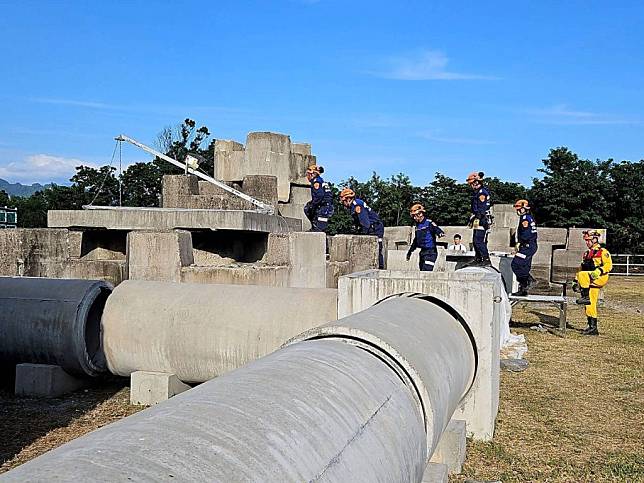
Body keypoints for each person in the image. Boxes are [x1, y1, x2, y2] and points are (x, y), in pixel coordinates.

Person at [574, 230, 612, 335]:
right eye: (586, 240)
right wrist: (575, 281)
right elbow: (581, 268)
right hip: (590, 280)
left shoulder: (603, 252)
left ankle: (585, 296)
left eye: (588, 240)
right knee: (590, 304)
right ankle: (592, 328)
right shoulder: (586, 254)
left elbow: (609, 265)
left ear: (595, 239)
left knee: (582, 275)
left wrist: (599, 270)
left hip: (600, 277)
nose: (587, 242)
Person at [339, 188, 385, 269]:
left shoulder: (357, 205)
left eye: (343, 201)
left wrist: (362, 234)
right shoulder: (355, 204)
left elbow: (365, 223)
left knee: (377, 250)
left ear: (348, 199)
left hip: (375, 228)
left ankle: (380, 269)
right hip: (372, 227)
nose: (343, 203)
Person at [510, 199, 538, 296]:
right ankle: (523, 289)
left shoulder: (525, 218)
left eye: (519, 208)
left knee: (515, 264)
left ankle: (529, 281)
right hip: (529, 246)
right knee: (524, 267)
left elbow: (526, 234)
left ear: (523, 209)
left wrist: (520, 243)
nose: (517, 211)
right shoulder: (529, 217)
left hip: (527, 247)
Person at [406, 203, 445, 271]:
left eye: (415, 216)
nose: (414, 218)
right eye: (413, 216)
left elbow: (436, 228)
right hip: (423, 252)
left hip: (431, 252)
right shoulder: (417, 226)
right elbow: (416, 240)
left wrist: (440, 233)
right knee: (421, 271)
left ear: (420, 214)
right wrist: (410, 252)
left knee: (426, 271)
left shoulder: (428, 223)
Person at [466, 171, 492, 266]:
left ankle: (486, 259)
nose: (471, 186)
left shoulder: (482, 193)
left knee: (479, 240)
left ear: (476, 182)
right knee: (475, 240)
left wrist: (476, 218)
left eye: (471, 184)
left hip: (482, 219)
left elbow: (482, 209)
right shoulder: (477, 192)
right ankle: (478, 258)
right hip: (478, 218)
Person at [303, 165, 334, 232]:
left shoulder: (316, 181)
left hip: (325, 207)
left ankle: (316, 228)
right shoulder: (320, 180)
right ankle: (314, 227)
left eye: (308, 174)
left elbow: (319, 195)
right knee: (308, 208)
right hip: (325, 205)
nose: (307, 176)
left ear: (312, 174)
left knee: (319, 229)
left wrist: (313, 205)